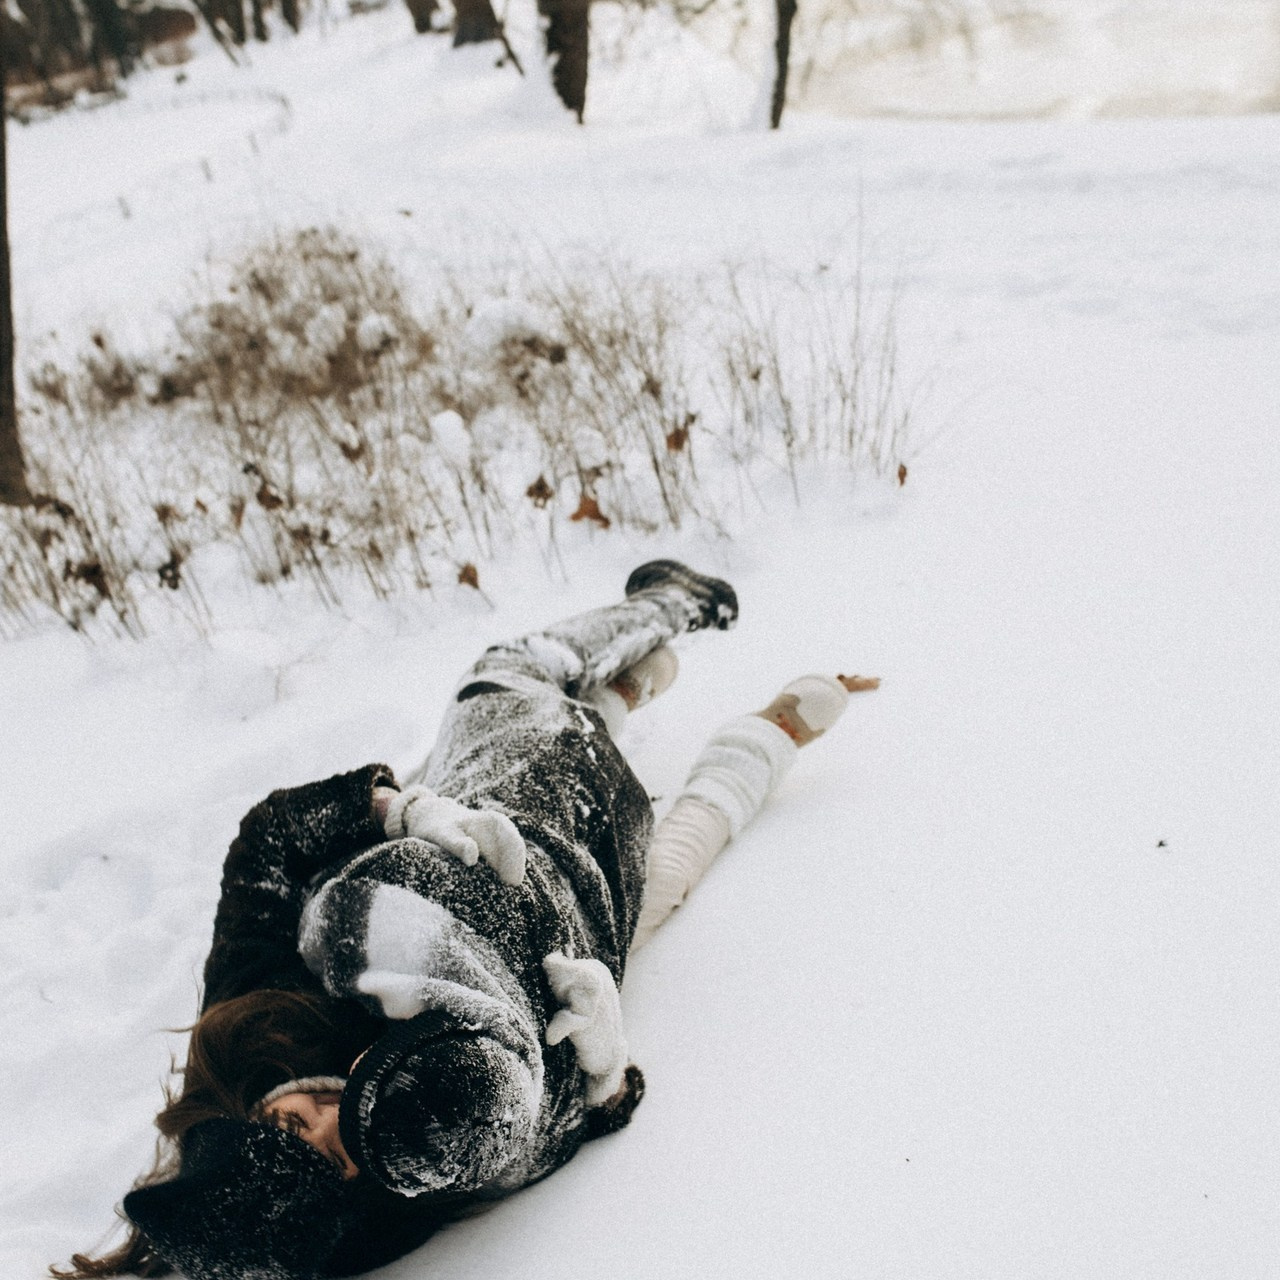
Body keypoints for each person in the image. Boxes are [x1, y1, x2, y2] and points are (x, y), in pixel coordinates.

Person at [52, 560, 876, 1280]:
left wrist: (390, 811)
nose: (334, 1114)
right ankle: (760, 729)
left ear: (245, 1114)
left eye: (294, 1121)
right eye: (337, 1155)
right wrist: (605, 1072)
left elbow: (263, 851)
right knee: (671, 870)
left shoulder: (250, 1029)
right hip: (589, 884)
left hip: (488, 799)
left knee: (515, 672)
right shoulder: (423, 1157)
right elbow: (563, 1127)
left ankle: (664, 609)